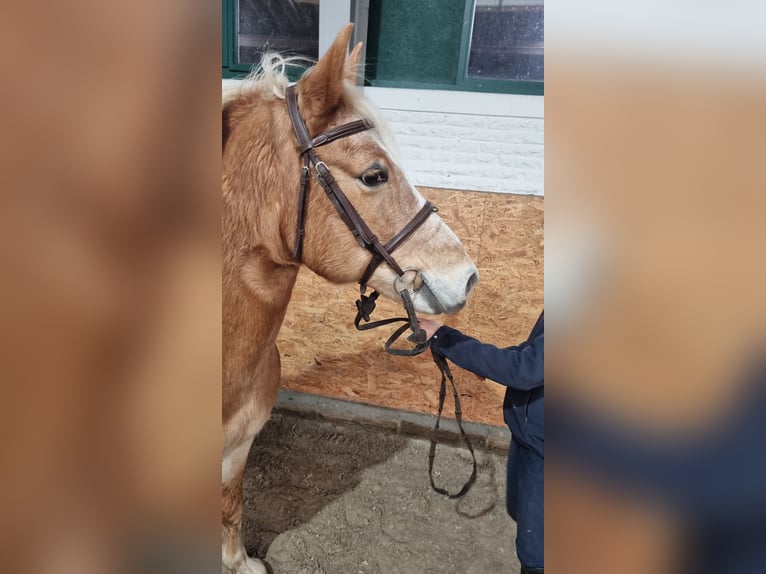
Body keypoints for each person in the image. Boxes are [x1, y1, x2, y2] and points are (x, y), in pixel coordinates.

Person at [418, 311, 544, 574]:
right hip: (531, 437)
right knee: (523, 516)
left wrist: (444, 337)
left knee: (538, 552)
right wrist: (481, 361)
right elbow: (534, 353)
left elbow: (526, 370)